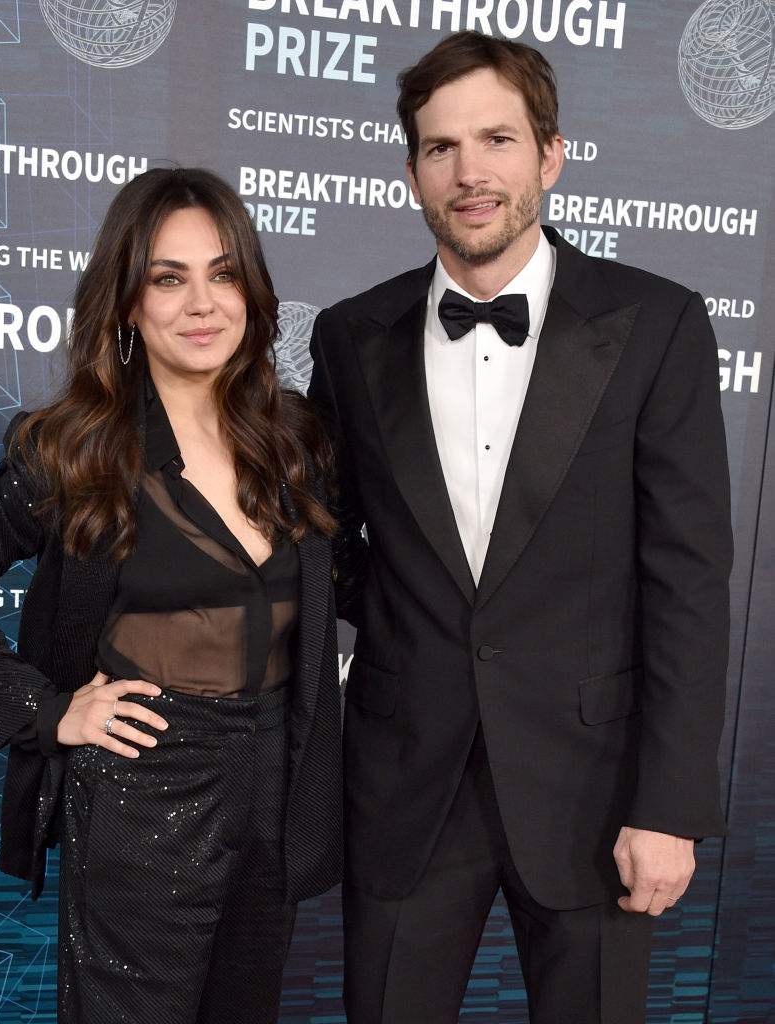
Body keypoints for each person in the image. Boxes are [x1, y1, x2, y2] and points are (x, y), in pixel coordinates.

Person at [308, 31, 731, 1024]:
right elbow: (324, 542)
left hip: (598, 791)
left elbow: (689, 581)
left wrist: (670, 806)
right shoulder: (350, 334)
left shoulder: (658, 323)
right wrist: (416, 618)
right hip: (407, 785)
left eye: (497, 139)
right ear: (411, 170)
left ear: (550, 154)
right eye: (441, 147)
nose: (470, 172)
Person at [0, 167, 342, 1024]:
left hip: (276, 792)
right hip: (145, 793)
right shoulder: (78, 449)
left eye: (223, 273)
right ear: (129, 303)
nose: (201, 303)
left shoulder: (293, 438)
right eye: (168, 279)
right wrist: (46, 710)